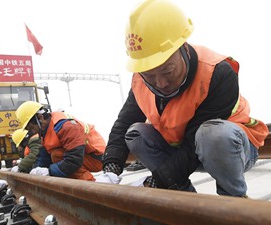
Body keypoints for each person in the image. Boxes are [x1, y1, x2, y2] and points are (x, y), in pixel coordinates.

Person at [97, 0, 269, 197]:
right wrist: (110, 170)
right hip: (182, 152)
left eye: (167, 71)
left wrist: (157, 181)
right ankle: (184, 199)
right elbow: (123, 124)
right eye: (150, 76)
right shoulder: (140, 81)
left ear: (183, 49)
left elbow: (193, 145)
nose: (160, 83)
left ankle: (234, 202)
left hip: (232, 150)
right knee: (135, 133)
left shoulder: (218, 73)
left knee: (212, 134)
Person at [15, 101, 106, 181]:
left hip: (96, 158)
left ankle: (87, 185)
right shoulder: (45, 132)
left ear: (40, 117)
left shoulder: (65, 126)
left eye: (31, 128)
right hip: (83, 156)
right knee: (55, 155)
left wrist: (49, 171)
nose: (33, 132)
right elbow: (43, 156)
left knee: (57, 155)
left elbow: (74, 159)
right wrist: (35, 171)